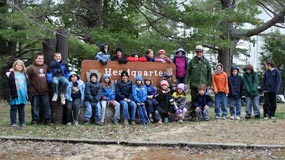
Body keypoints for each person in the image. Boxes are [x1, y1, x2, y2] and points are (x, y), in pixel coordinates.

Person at [185, 45, 212, 120]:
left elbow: (209, 74)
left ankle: (204, 115)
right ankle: (194, 115)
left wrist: (209, 84)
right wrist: (186, 82)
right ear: (196, 52)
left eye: (200, 51)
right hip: (194, 85)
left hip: (203, 86)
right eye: (197, 51)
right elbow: (188, 73)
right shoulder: (192, 62)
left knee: (204, 100)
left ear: (202, 52)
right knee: (194, 100)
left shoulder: (206, 62)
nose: (199, 53)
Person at [3, 60, 31, 128]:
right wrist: (7, 95)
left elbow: (28, 85)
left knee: (21, 109)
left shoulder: (24, 74)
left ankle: (22, 122)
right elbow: (6, 85)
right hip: (14, 94)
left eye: (21, 65)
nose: (20, 66)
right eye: (18, 65)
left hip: (22, 95)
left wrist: (29, 94)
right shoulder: (9, 73)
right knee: (14, 108)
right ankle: (13, 123)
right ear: (14, 65)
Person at [26, 54, 52, 125]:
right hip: (34, 92)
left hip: (45, 91)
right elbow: (26, 78)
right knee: (35, 107)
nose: (40, 60)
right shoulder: (31, 68)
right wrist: (30, 88)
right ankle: (35, 120)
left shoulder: (46, 66)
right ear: (35, 59)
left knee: (47, 107)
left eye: (42, 59)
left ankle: (48, 120)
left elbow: (50, 77)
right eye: (39, 58)